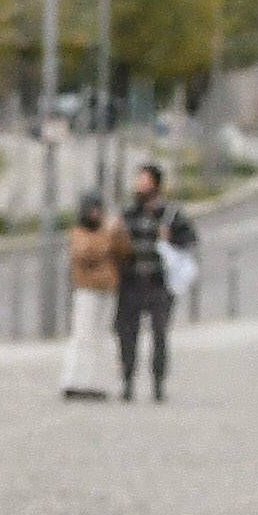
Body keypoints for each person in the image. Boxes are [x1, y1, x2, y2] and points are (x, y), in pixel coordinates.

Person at [115, 163, 194, 401]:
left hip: (158, 284)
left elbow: (190, 240)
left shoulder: (170, 215)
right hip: (131, 283)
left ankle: (158, 384)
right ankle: (128, 381)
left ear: (155, 184)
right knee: (127, 335)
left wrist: (171, 239)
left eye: (144, 180)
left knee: (159, 336)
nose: (139, 185)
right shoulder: (128, 214)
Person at [59, 197, 121, 401]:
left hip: (107, 289)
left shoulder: (107, 232)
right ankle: (74, 379)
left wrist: (118, 234)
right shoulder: (80, 233)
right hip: (87, 289)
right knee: (82, 336)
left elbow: (122, 252)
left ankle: (95, 381)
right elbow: (86, 254)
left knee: (101, 337)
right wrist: (108, 237)